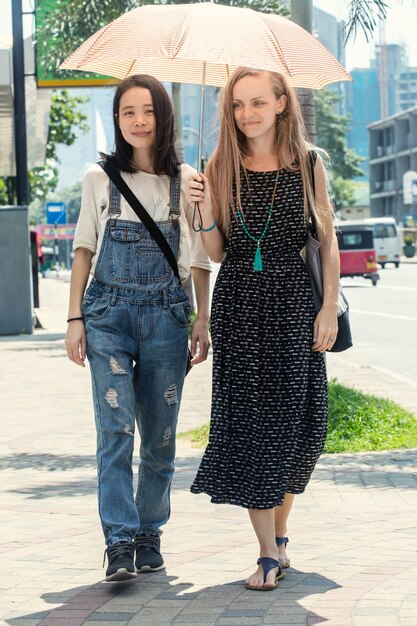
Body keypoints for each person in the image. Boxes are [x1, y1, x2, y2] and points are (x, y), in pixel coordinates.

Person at [188, 67, 339, 591]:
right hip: (241, 307)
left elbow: (326, 240)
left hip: (295, 303)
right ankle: (268, 554)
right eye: (236, 104)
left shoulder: (309, 163)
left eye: (256, 102)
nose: (246, 113)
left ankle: (280, 537)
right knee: (252, 428)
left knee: (302, 427)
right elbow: (216, 251)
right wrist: (203, 210)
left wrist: (327, 309)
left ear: (281, 104)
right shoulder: (220, 164)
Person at [65, 74, 211, 582]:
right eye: (128, 112)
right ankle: (119, 542)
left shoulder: (188, 179)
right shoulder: (98, 177)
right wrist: (74, 318)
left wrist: (202, 317)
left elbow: (198, 259)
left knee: (161, 438)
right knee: (114, 431)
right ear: (118, 119)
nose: (138, 121)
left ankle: (150, 533)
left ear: (163, 116)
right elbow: (83, 247)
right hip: (107, 316)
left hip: (169, 318)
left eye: (147, 111)